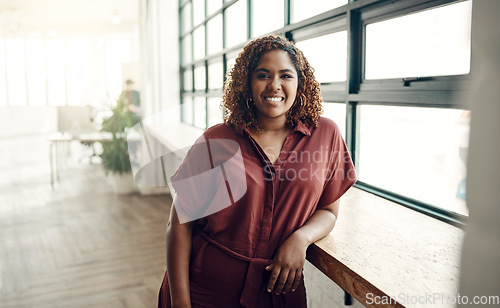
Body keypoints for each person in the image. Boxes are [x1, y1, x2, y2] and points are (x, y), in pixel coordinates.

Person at [158, 35, 357, 308]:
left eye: (286, 75)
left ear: (300, 82)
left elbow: (329, 210)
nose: (274, 85)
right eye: (263, 75)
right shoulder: (217, 140)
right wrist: (181, 303)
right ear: (247, 82)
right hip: (206, 290)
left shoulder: (326, 134)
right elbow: (179, 225)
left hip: (280, 292)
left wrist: (301, 238)